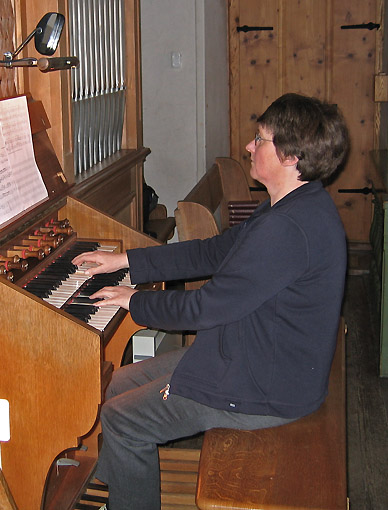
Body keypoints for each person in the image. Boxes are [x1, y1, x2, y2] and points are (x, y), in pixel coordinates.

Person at [71, 93, 349, 510]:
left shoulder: (287, 230)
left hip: (265, 387)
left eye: (261, 139)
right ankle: (117, 486)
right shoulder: (290, 206)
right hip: (254, 354)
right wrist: (126, 260)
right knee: (113, 385)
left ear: (290, 156)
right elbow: (211, 252)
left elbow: (203, 308)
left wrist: (134, 301)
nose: (249, 147)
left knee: (121, 419)